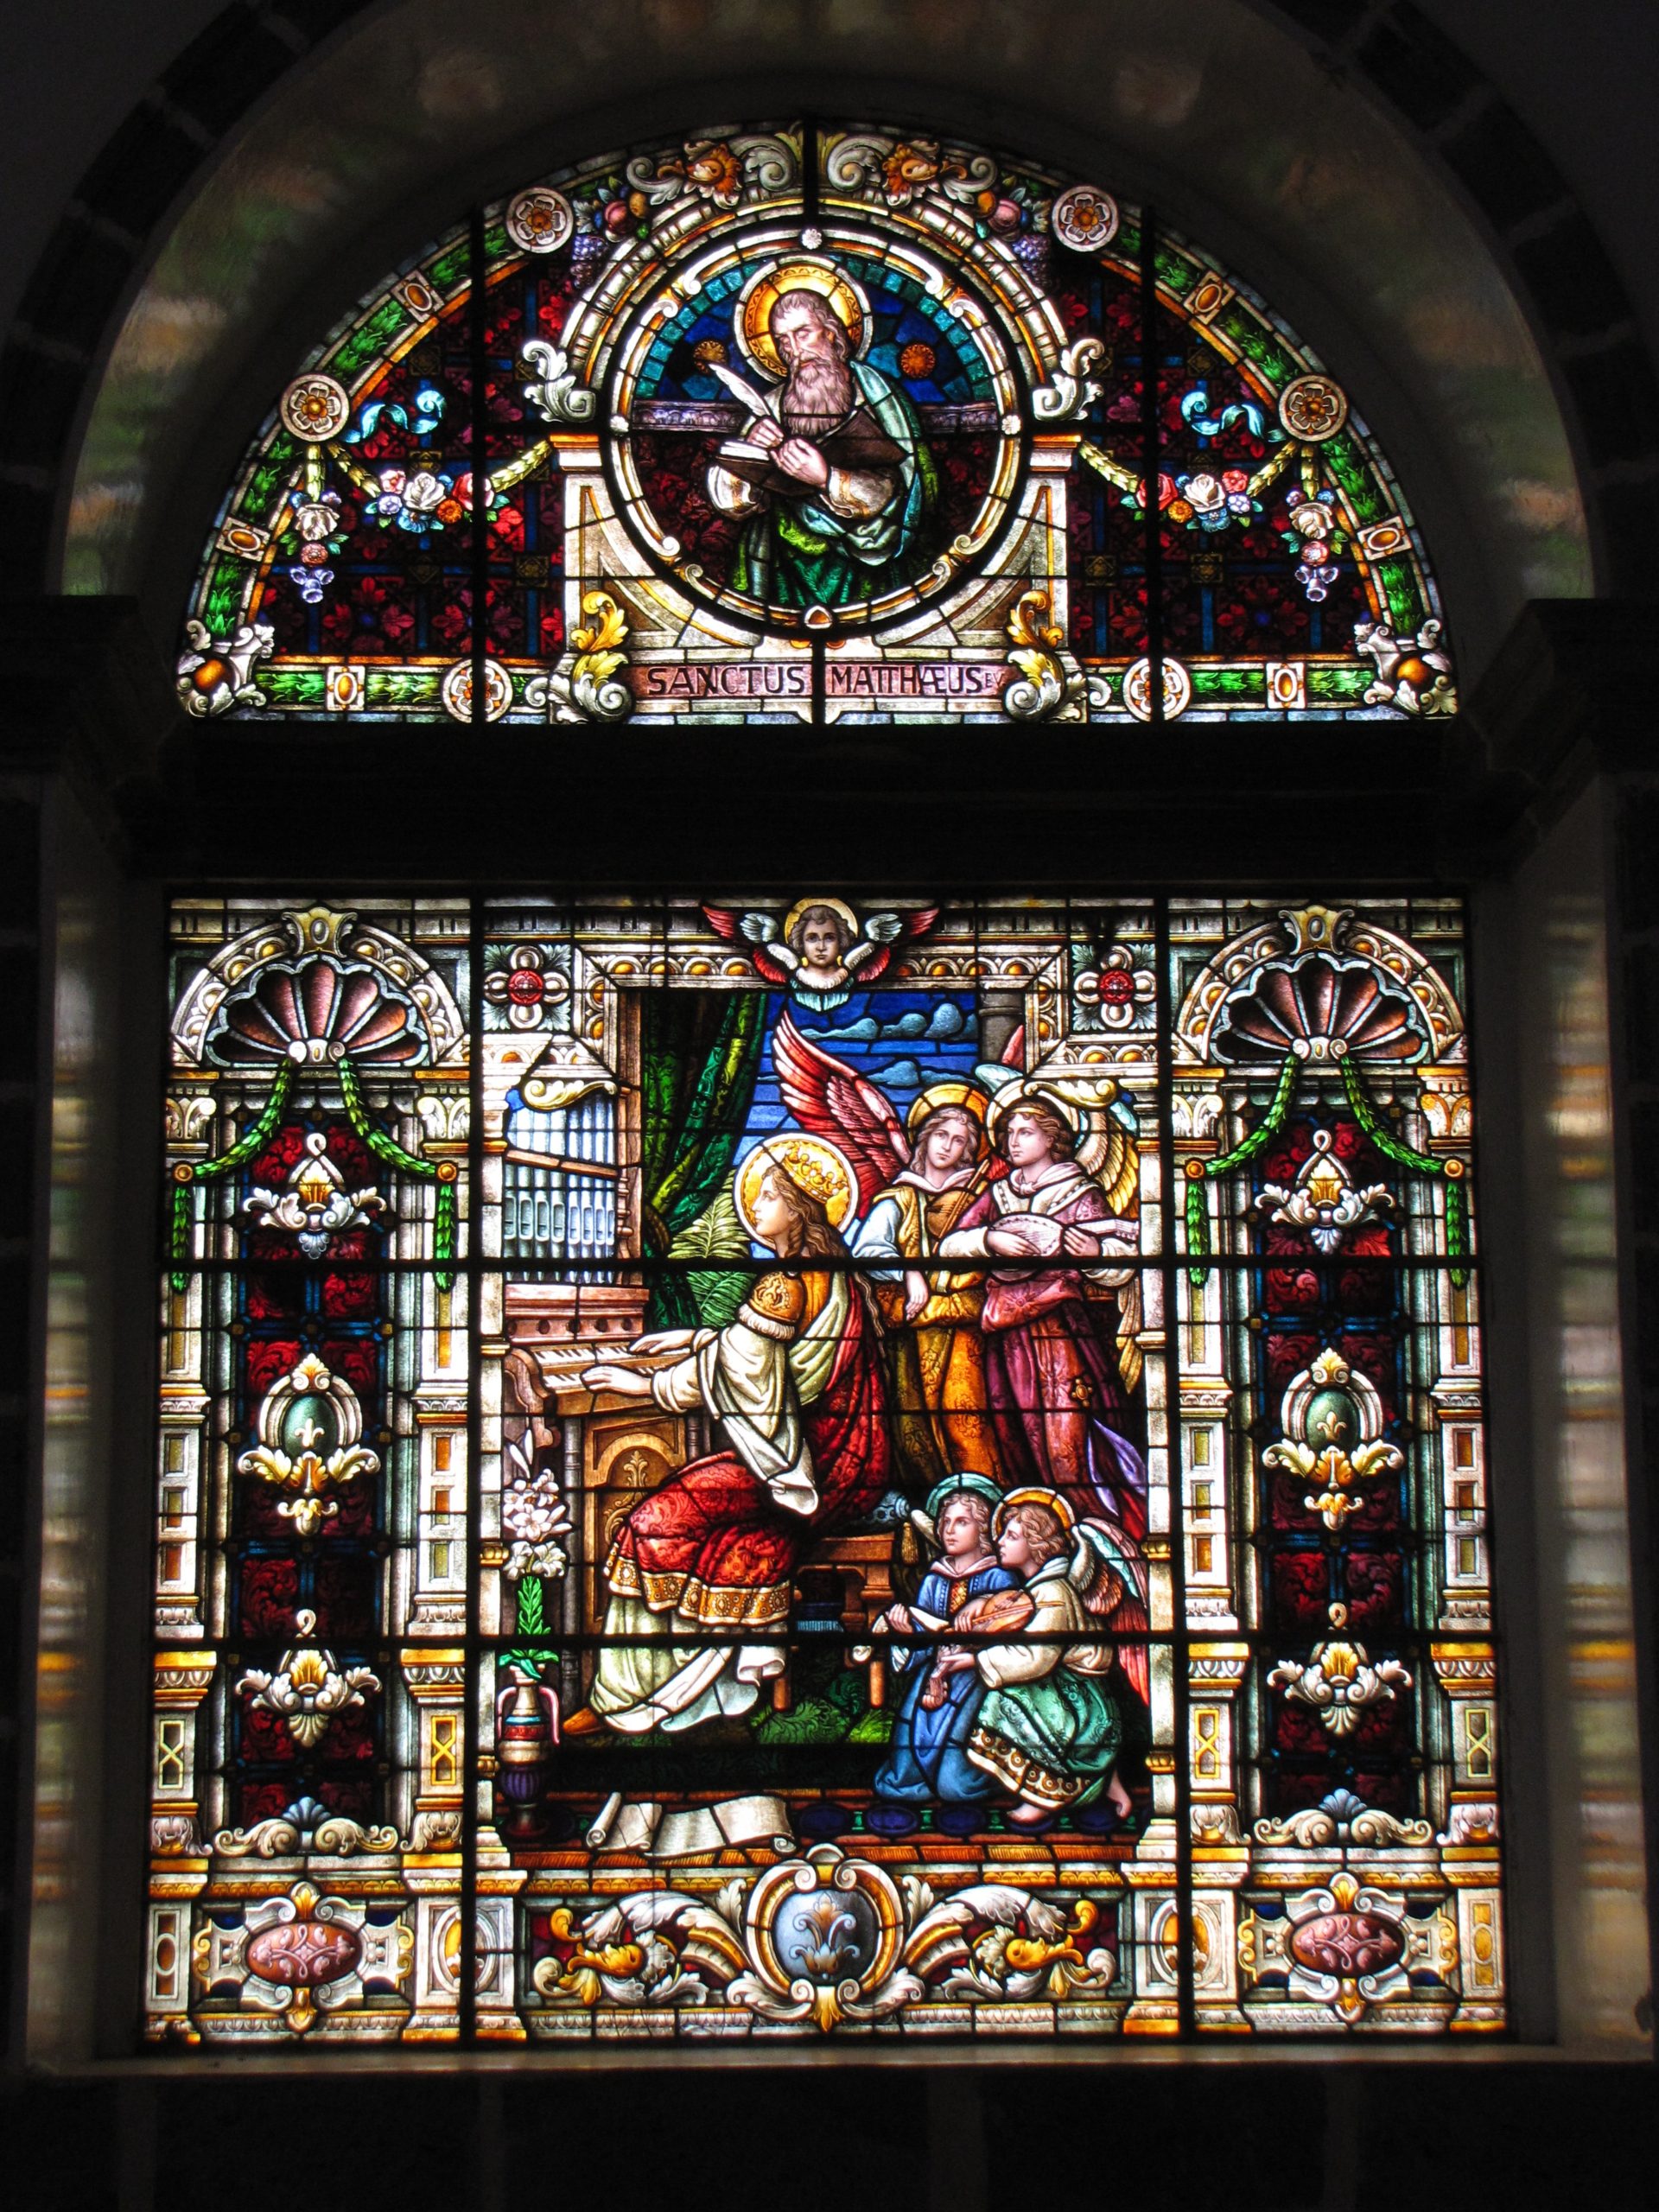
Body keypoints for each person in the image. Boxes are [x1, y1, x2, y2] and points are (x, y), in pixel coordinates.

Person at [564, 1135, 889, 1735]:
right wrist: (696, 1341)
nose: (754, 1207)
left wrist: (643, 1385)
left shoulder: (785, 1283)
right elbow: (768, 1358)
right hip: (844, 1462)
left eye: (768, 1196)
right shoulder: (829, 1275)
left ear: (800, 1209)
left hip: (804, 1468)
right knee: (694, 1508)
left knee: (652, 1523)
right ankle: (690, 1688)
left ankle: (635, 1697)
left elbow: (748, 1369)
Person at [936, 1085, 1147, 1537]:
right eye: (1009, 1132)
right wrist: (988, 1239)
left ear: (1052, 1138)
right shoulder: (998, 1194)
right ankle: (1035, 1532)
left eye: (1026, 1132)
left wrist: (1096, 1254)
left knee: (1069, 1436)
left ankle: (1095, 1526)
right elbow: (948, 1247)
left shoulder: (1079, 1194)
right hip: (1005, 1337)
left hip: (1059, 1333)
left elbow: (1124, 1262)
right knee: (1014, 1434)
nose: (1013, 1141)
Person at [708, 282, 936, 607]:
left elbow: (914, 485)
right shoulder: (770, 405)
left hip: (874, 568)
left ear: (831, 332)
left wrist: (826, 478)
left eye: (803, 333)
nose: (794, 350)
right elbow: (731, 502)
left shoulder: (877, 395)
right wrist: (754, 447)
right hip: (786, 563)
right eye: (782, 341)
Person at [942, 1491, 1133, 1827]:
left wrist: (976, 1661)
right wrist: (984, 1603)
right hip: (1081, 1699)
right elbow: (1017, 1619)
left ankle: (1044, 1793)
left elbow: (1036, 1658)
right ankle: (1103, 1778)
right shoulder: (1042, 1587)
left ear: (1037, 1545)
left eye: (1012, 1536)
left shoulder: (1053, 1591)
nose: (1000, 1541)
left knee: (1004, 1701)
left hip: (1081, 1706)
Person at [852, 1085, 1001, 1489]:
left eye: (959, 1141)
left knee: (966, 1419)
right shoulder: (899, 1197)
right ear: (924, 1137)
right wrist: (908, 1271)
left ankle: (983, 1495)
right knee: (912, 1426)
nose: (947, 1146)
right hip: (910, 1333)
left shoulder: (981, 1196)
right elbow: (867, 1249)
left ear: (969, 1150)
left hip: (967, 1331)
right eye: (941, 1135)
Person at [868, 1474, 1016, 1811]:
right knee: (903, 1779)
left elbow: (1013, 1634)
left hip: (978, 1681)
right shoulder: (934, 1579)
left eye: (962, 1522)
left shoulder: (1001, 1577)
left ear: (984, 1529)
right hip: (931, 1681)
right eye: (945, 1522)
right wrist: (907, 1635)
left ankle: (996, 1775)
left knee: (956, 1784)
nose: (950, 1530)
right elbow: (923, 1647)